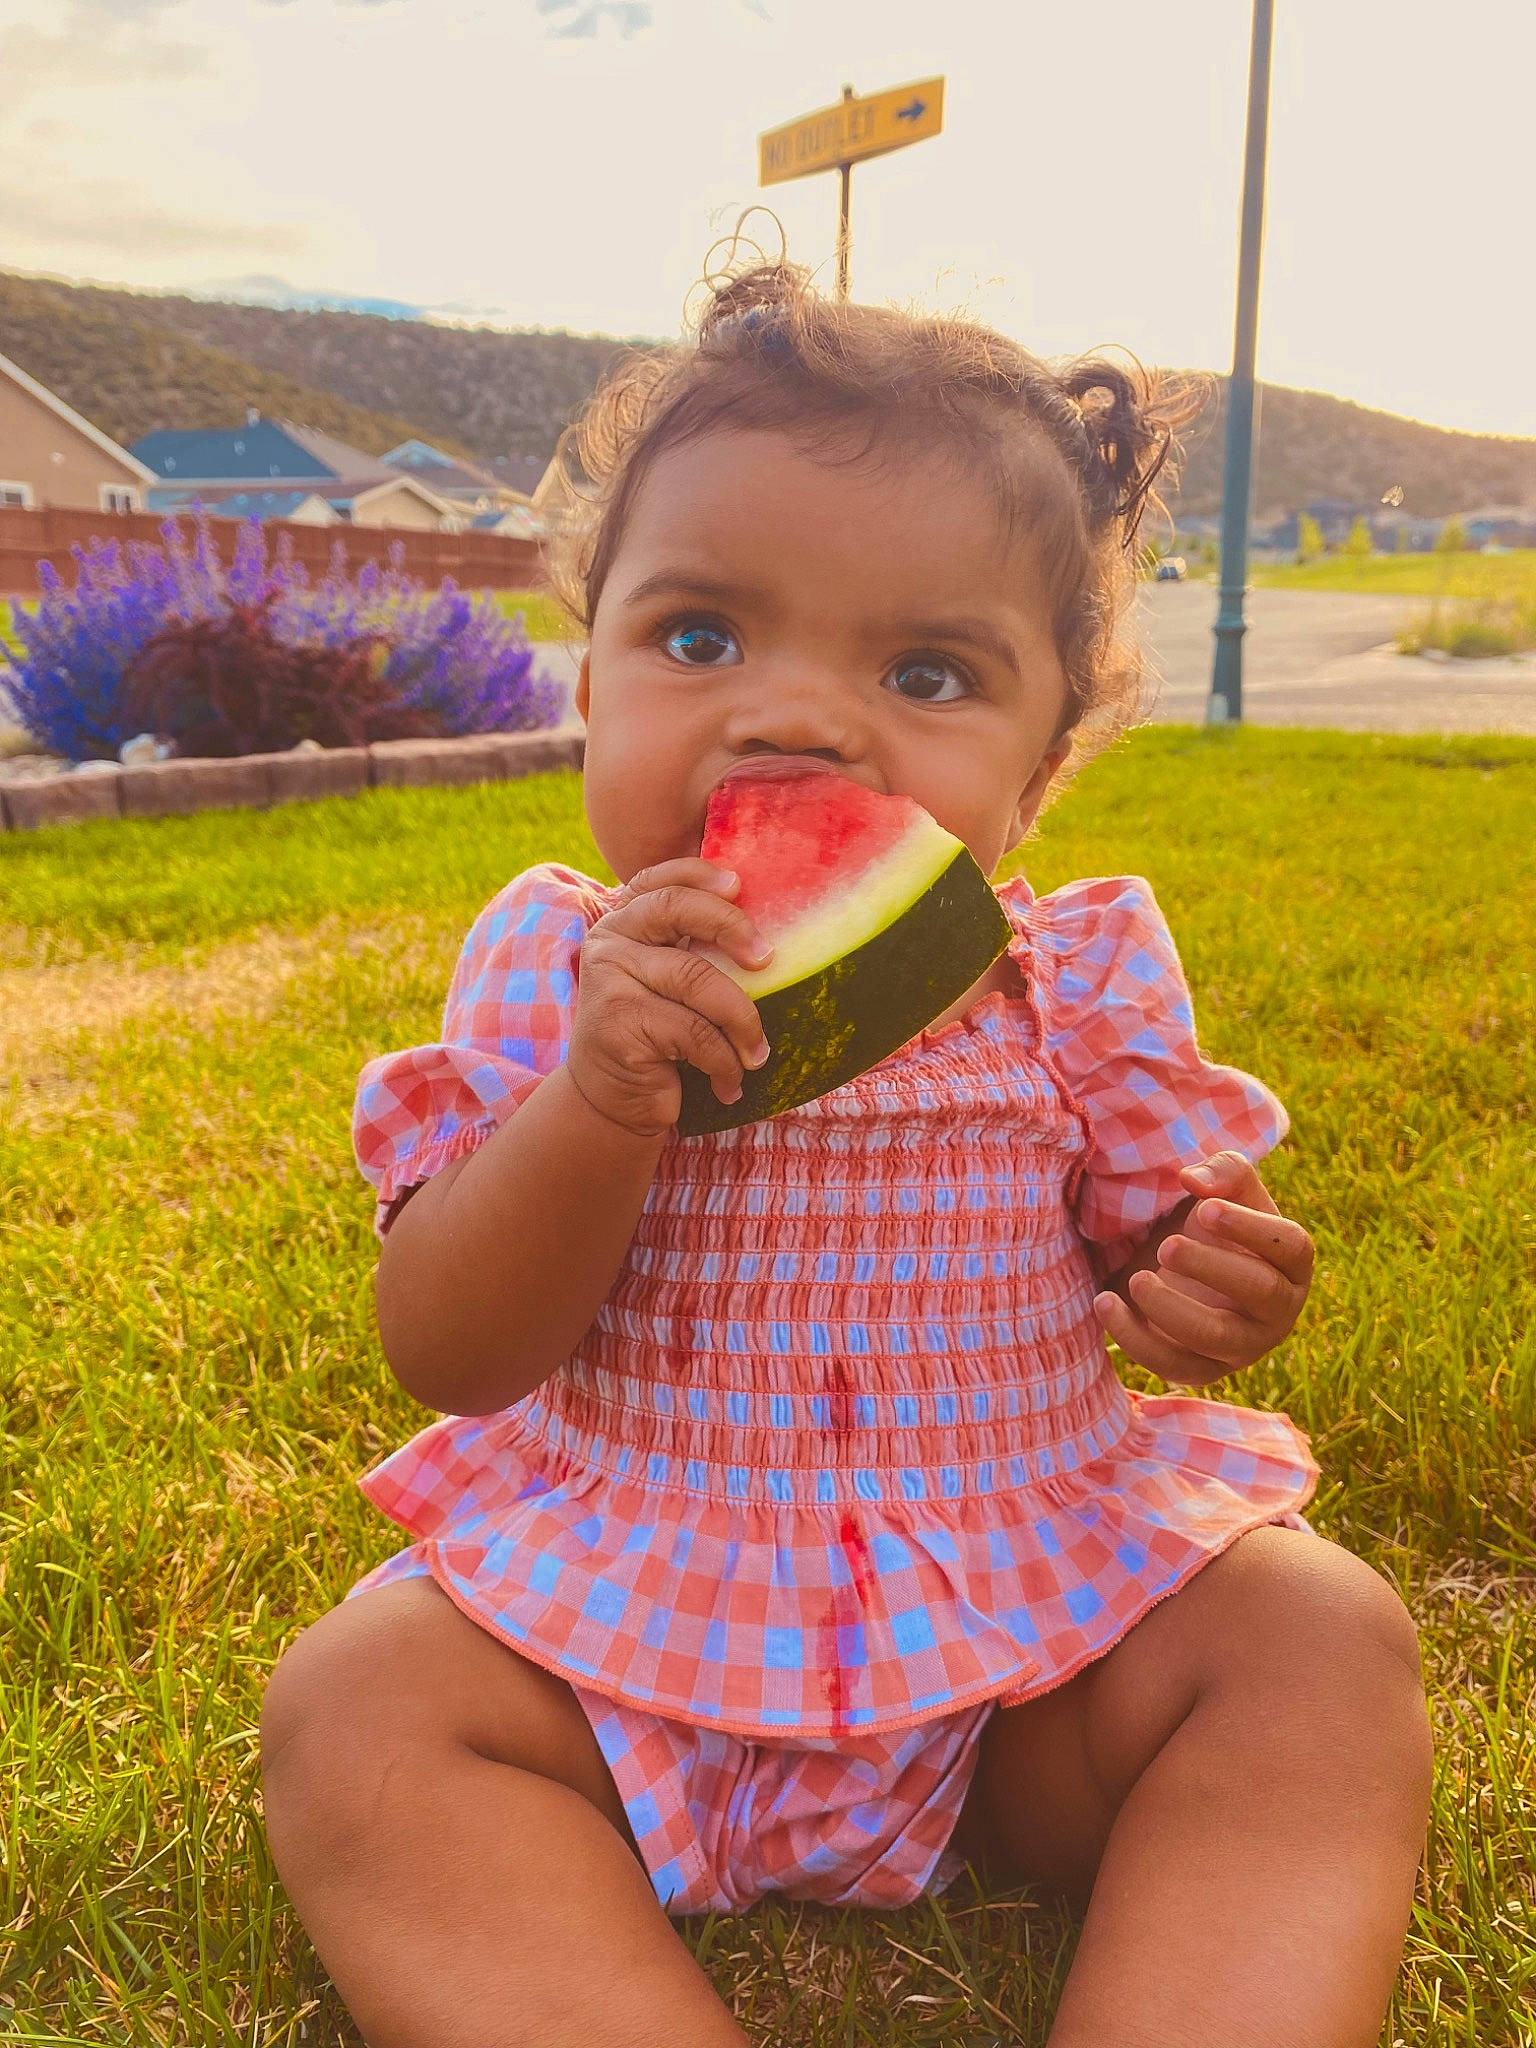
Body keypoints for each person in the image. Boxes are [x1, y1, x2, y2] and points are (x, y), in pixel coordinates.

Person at [260, 248, 1431, 2048]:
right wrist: (594, 1105)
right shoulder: (552, 963)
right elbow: (450, 1346)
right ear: (590, 680)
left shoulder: (1077, 978)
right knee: (358, 1705)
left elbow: (1170, 1226)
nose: (798, 716)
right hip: (616, 1665)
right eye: (702, 636)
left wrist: (1209, 1266)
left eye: (926, 669)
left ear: (1038, 775)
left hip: (1014, 1678)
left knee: (1317, 1640)